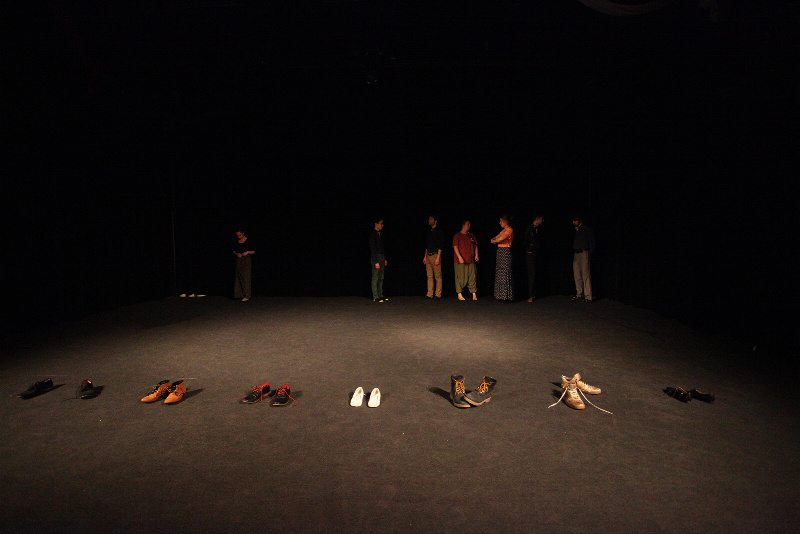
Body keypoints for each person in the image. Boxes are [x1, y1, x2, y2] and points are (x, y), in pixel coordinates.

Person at [453, 219, 479, 300]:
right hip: (460, 260)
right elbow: (455, 247)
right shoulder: (457, 235)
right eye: (468, 224)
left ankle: (474, 293)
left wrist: (476, 255)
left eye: (469, 224)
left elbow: (475, 245)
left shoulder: (471, 235)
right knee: (460, 276)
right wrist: (460, 257)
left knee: (472, 276)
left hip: (470, 259)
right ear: (463, 225)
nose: (469, 226)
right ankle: (459, 293)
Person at [490, 214, 514, 301]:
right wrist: (495, 240)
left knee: (505, 273)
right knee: (500, 273)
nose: (500, 223)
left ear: (505, 221)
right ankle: (500, 296)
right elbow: (493, 239)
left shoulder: (509, 230)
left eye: (501, 221)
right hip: (500, 252)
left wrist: (496, 240)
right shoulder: (503, 231)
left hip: (505, 252)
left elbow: (499, 239)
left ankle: (506, 296)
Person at [572, 215, 595, 301]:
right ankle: (579, 294)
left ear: (580, 221)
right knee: (577, 274)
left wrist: (590, 253)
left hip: (584, 252)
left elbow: (591, 241)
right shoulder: (577, 230)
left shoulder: (586, 229)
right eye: (573, 221)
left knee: (585, 274)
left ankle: (588, 296)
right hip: (576, 253)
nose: (574, 222)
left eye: (575, 221)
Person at [423, 214, 444, 298]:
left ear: (435, 221)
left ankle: (438, 294)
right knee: (429, 276)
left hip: (435, 255)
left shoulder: (439, 232)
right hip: (428, 255)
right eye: (429, 219)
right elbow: (427, 245)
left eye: (431, 219)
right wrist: (425, 256)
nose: (429, 220)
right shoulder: (429, 231)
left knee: (437, 276)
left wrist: (438, 258)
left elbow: (440, 246)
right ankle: (429, 294)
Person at [524, 214, 544, 302]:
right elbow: (526, 240)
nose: (542, 221)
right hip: (531, 253)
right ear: (537, 219)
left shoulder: (539, 229)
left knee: (537, 273)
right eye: (541, 219)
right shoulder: (530, 228)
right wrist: (529, 250)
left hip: (537, 253)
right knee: (532, 273)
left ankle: (536, 293)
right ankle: (531, 294)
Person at [233, 228, 255, 301]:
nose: (238, 236)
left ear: (243, 233)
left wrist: (247, 252)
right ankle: (239, 295)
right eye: (237, 235)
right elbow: (234, 251)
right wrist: (237, 254)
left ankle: (247, 295)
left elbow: (253, 251)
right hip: (239, 259)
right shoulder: (236, 241)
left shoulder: (248, 241)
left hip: (246, 260)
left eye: (240, 235)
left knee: (246, 277)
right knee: (238, 276)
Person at [369, 218, 388, 302]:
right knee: (376, 276)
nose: (382, 225)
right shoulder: (373, 235)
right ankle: (375, 296)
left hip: (381, 257)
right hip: (376, 257)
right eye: (381, 223)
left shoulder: (380, 234)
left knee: (381, 277)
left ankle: (380, 294)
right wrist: (376, 261)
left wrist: (384, 259)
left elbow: (382, 248)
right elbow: (373, 249)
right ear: (376, 224)